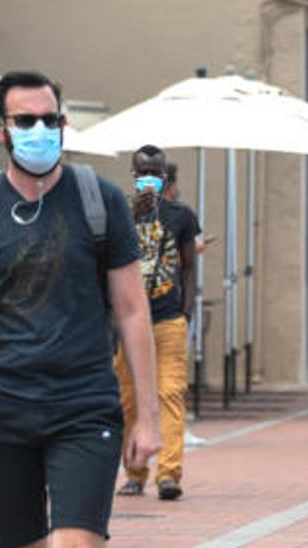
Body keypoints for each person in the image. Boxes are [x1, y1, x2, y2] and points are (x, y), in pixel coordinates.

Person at [0, 71, 161, 547]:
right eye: (25, 120)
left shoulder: (100, 200)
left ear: (63, 123)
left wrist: (149, 417)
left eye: (49, 119)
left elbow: (133, 311)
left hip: (83, 405)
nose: (39, 130)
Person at [111, 145, 198, 501]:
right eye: (143, 172)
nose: (150, 178)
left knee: (170, 394)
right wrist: (131, 214)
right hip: (128, 325)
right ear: (133, 175)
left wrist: (185, 312)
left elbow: (190, 265)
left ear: (165, 177)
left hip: (167, 319)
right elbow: (103, 256)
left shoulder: (181, 215)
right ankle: (134, 472)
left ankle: (169, 474)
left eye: (156, 173)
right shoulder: (118, 214)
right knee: (128, 399)